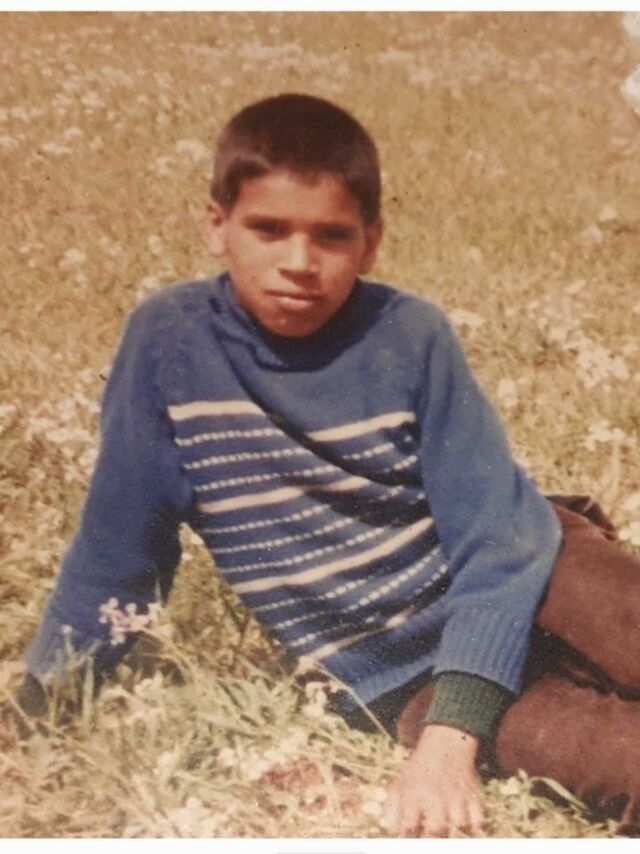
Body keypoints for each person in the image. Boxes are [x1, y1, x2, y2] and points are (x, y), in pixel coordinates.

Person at [16, 92, 640, 837]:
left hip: (534, 576)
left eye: (331, 236)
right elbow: (119, 550)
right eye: (268, 229)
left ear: (370, 244)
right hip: (401, 672)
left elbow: (501, 540)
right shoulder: (169, 348)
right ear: (216, 226)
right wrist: (40, 706)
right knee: (607, 757)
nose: (299, 262)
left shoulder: (409, 336)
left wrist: (451, 744)